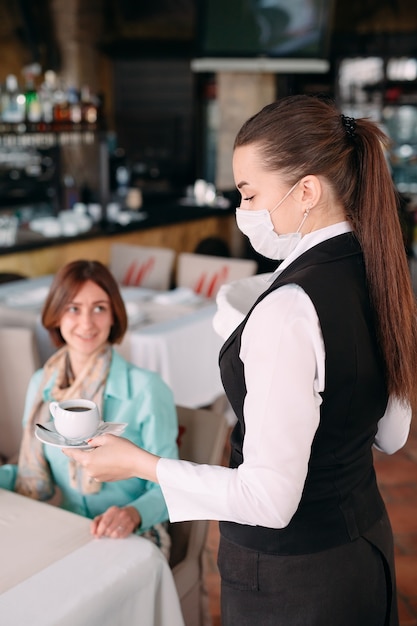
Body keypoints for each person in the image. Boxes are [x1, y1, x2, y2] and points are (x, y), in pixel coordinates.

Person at [64, 95, 417, 626]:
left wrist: (139, 464)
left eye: (249, 193)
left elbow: (269, 501)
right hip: (364, 547)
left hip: (296, 581)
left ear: (306, 192)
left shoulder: (291, 308)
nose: (243, 210)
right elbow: (390, 434)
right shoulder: (378, 272)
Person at [0, 260, 178, 557]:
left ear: (114, 317)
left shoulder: (147, 390)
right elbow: (29, 469)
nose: (86, 323)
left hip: (133, 533)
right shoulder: (41, 385)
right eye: (73, 308)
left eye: (99, 308)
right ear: (56, 315)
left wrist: (132, 514)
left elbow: (173, 483)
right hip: (68, 526)